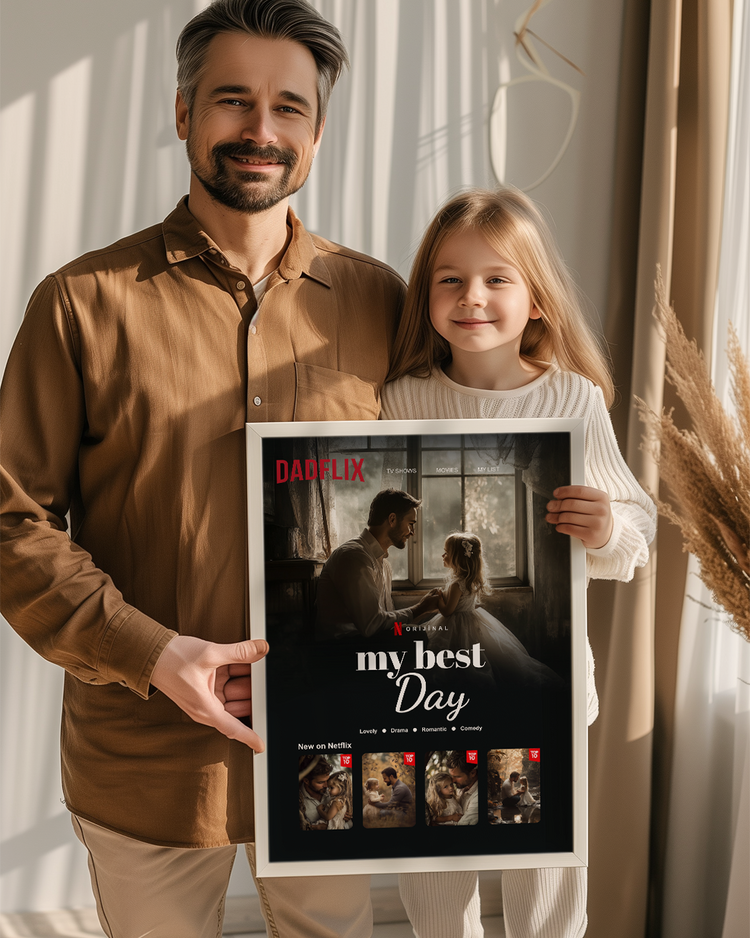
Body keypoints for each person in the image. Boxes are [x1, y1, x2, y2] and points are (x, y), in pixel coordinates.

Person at [0, 2, 406, 936]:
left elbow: (456, 451)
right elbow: (13, 522)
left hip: (336, 747)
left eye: (289, 107)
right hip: (145, 757)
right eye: (233, 100)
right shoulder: (80, 302)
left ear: (318, 130)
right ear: (183, 112)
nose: (261, 130)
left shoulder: (383, 302)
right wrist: (151, 653)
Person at [382, 187, 657, 937]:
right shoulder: (400, 399)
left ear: (536, 299)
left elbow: (637, 526)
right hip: (432, 689)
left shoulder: (573, 400)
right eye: (450, 279)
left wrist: (605, 529)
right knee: (436, 848)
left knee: (541, 851)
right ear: (426, 294)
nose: (472, 296)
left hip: (541, 682)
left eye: (496, 279)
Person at [426, 531, 562, 688]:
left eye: (446, 552)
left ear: (458, 558)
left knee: (456, 658)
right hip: (472, 619)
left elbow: (448, 611)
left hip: (456, 624)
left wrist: (438, 598)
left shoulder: (457, 585)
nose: (443, 555)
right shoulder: (469, 581)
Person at [315, 488, 438, 640]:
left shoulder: (384, 565)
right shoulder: (354, 557)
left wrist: (426, 612)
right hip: (346, 644)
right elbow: (371, 624)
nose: (412, 532)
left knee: (425, 632)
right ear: (392, 519)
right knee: (417, 636)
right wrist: (420, 608)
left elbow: (385, 621)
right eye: (410, 524)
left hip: (370, 638)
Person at [299, 757, 334, 831]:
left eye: (327, 780)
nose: (326, 785)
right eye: (321, 782)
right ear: (306, 781)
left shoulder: (334, 789)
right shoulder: (300, 801)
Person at [447, 753, 480, 827]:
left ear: (473, 773)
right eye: (452, 776)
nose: (453, 781)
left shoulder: (477, 797)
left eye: (457, 776)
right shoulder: (461, 786)